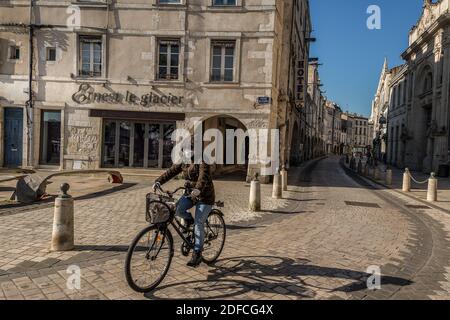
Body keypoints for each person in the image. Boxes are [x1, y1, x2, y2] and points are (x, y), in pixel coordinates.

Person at [152, 156, 215, 268]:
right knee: (177, 209)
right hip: (190, 194)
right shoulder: (184, 160)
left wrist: (198, 189)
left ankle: (197, 253)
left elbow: (203, 177)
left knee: (199, 222)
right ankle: (189, 221)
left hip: (205, 196)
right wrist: (159, 181)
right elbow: (171, 171)